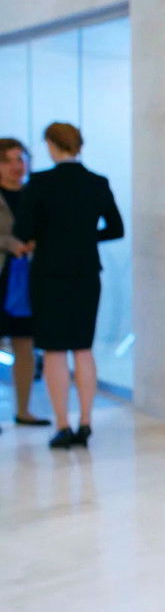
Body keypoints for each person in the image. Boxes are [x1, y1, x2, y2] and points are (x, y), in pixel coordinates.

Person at [14, 123, 124, 450]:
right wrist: (85, 238)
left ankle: (62, 424)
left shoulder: (39, 183)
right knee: (83, 348)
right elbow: (116, 228)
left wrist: (47, 238)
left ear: (51, 144)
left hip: (49, 273)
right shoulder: (97, 182)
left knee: (54, 350)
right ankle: (86, 421)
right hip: (86, 272)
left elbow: (23, 230)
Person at [0, 138, 46, 431]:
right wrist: (9, 243)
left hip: (28, 278)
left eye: (20, 158)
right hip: (3, 274)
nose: (16, 166)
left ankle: (24, 410)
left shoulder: (35, 194)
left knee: (25, 344)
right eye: (7, 160)